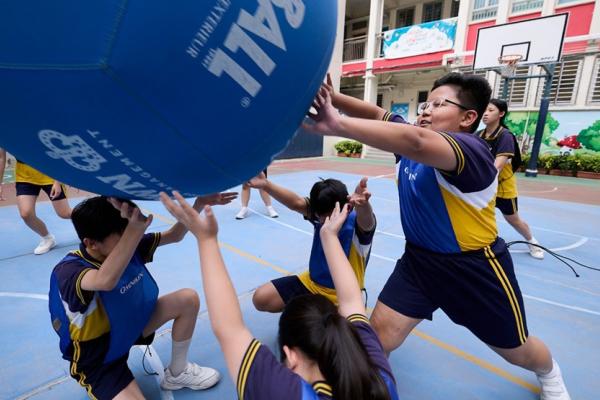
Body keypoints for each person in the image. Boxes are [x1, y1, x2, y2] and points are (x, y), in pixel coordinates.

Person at [305, 73, 570, 399]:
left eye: (439, 104)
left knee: (518, 351)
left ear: (467, 118)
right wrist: (330, 97)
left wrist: (337, 124)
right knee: (377, 337)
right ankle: (369, 390)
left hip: (474, 270)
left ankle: (549, 371)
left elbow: (415, 141)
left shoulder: (472, 152)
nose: (426, 110)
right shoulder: (411, 142)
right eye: (425, 104)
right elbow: (377, 114)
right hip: (419, 264)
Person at [160, 192, 399, 400]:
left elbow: (229, 329)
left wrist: (206, 238)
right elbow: (352, 301)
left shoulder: (285, 393)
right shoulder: (379, 375)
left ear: (291, 357)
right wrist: (329, 236)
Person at [48, 191, 237, 399]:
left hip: (127, 328)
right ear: (91, 243)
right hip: (98, 358)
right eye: (124, 236)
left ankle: (178, 371)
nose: (131, 240)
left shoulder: (128, 242)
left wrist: (199, 203)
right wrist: (133, 230)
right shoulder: (69, 271)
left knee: (187, 299)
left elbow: (175, 235)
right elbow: (105, 280)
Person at [247, 172, 376, 312]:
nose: (323, 221)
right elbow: (296, 203)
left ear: (347, 207)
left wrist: (363, 205)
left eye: (327, 216)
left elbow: (368, 223)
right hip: (312, 284)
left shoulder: (357, 226)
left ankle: (319, 314)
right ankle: (310, 310)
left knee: (342, 326)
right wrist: (266, 185)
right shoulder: (318, 213)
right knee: (261, 298)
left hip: (344, 295)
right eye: (319, 216)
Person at [480, 98, 544, 259]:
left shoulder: (505, 136)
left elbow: (497, 166)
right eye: (484, 110)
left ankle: (532, 241)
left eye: (490, 110)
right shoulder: (478, 135)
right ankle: (482, 243)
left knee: (513, 219)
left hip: (502, 187)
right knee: (479, 215)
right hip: (484, 187)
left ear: (501, 113)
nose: (485, 114)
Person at [14, 160, 72, 254]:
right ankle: (47, 238)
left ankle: (92, 219)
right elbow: (1, 158)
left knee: (64, 213)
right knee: (26, 214)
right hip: (25, 177)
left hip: (50, 175)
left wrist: (57, 181)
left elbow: (58, 155)